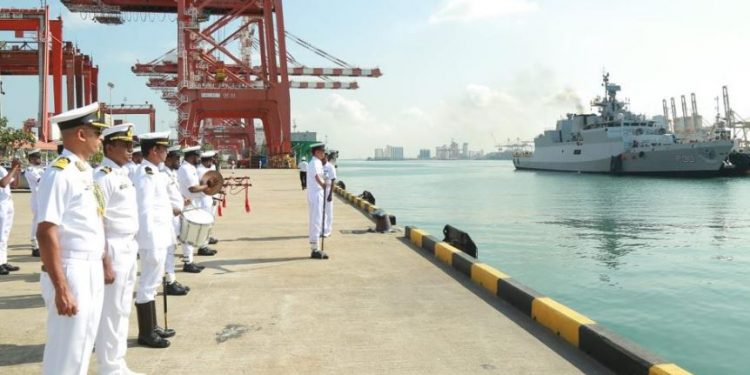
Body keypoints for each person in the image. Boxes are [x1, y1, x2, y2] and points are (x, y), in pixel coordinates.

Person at [36, 102, 109, 374]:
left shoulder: (84, 171)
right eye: (96, 133)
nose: (100, 139)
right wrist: (62, 288)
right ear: (81, 134)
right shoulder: (60, 173)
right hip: (71, 268)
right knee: (66, 350)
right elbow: (46, 230)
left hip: (89, 267)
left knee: (82, 345)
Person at [92, 123, 144, 374]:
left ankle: (118, 363)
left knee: (122, 308)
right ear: (109, 147)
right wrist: (105, 260)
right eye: (125, 145)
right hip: (112, 246)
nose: (130, 149)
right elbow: (97, 219)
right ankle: (109, 367)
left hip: (127, 245)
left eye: (131, 145)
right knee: (111, 312)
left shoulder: (123, 174)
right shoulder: (102, 176)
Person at [133, 131, 175, 348]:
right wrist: (147, 240)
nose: (166, 152)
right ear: (153, 150)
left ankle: (153, 325)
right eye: (163, 148)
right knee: (148, 283)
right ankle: (146, 332)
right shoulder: (145, 174)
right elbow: (144, 209)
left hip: (160, 236)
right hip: (152, 238)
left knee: (154, 281)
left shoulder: (157, 172)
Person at [176, 146, 211, 272]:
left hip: (192, 203)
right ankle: (188, 262)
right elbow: (193, 188)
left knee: (191, 234)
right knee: (188, 234)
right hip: (188, 205)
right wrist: (207, 186)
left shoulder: (190, 168)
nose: (199, 159)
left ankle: (189, 260)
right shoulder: (186, 169)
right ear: (192, 156)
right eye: (197, 156)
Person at [161, 146, 190, 295]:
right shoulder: (162, 175)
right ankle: (169, 282)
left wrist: (182, 200)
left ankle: (172, 279)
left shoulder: (172, 173)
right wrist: (172, 208)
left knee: (171, 249)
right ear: (168, 159)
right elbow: (159, 199)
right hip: (168, 218)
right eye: (176, 158)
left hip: (176, 218)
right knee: (168, 251)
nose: (179, 161)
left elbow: (173, 193)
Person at [306, 143, 328, 259]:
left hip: (318, 193)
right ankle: (315, 249)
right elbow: (316, 177)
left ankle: (316, 247)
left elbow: (320, 176)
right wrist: (323, 184)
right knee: (316, 220)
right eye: (322, 151)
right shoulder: (314, 162)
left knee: (318, 219)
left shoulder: (318, 162)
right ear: (317, 152)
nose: (324, 153)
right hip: (315, 195)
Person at [0, 156, 21, 274]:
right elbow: (3, 183)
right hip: (0, 203)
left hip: (7, 202)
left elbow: (14, 185)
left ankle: (3, 261)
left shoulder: (2, 168)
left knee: (5, 234)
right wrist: (13, 169)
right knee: (0, 234)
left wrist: (17, 172)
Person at [24, 148, 44, 257]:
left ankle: (39, 245)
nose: (39, 159)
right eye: (37, 157)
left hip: (42, 198)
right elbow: (41, 180)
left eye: (39, 157)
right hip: (36, 199)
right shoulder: (30, 170)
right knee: (36, 222)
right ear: (31, 159)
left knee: (41, 222)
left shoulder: (40, 169)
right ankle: (34, 246)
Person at [197, 151, 219, 248]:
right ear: (207, 161)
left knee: (210, 220)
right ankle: (203, 246)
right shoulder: (201, 171)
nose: (212, 162)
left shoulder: (207, 168)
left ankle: (206, 240)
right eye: (211, 160)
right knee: (204, 222)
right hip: (204, 198)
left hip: (209, 197)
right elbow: (207, 186)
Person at [322, 154, 337, 238]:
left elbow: (333, 180)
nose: (323, 159)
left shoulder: (330, 167)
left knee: (328, 211)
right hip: (320, 190)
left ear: (327, 158)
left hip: (328, 190)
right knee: (321, 211)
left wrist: (330, 194)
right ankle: (322, 229)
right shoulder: (319, 166)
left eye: (324, 158)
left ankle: (328, 230)